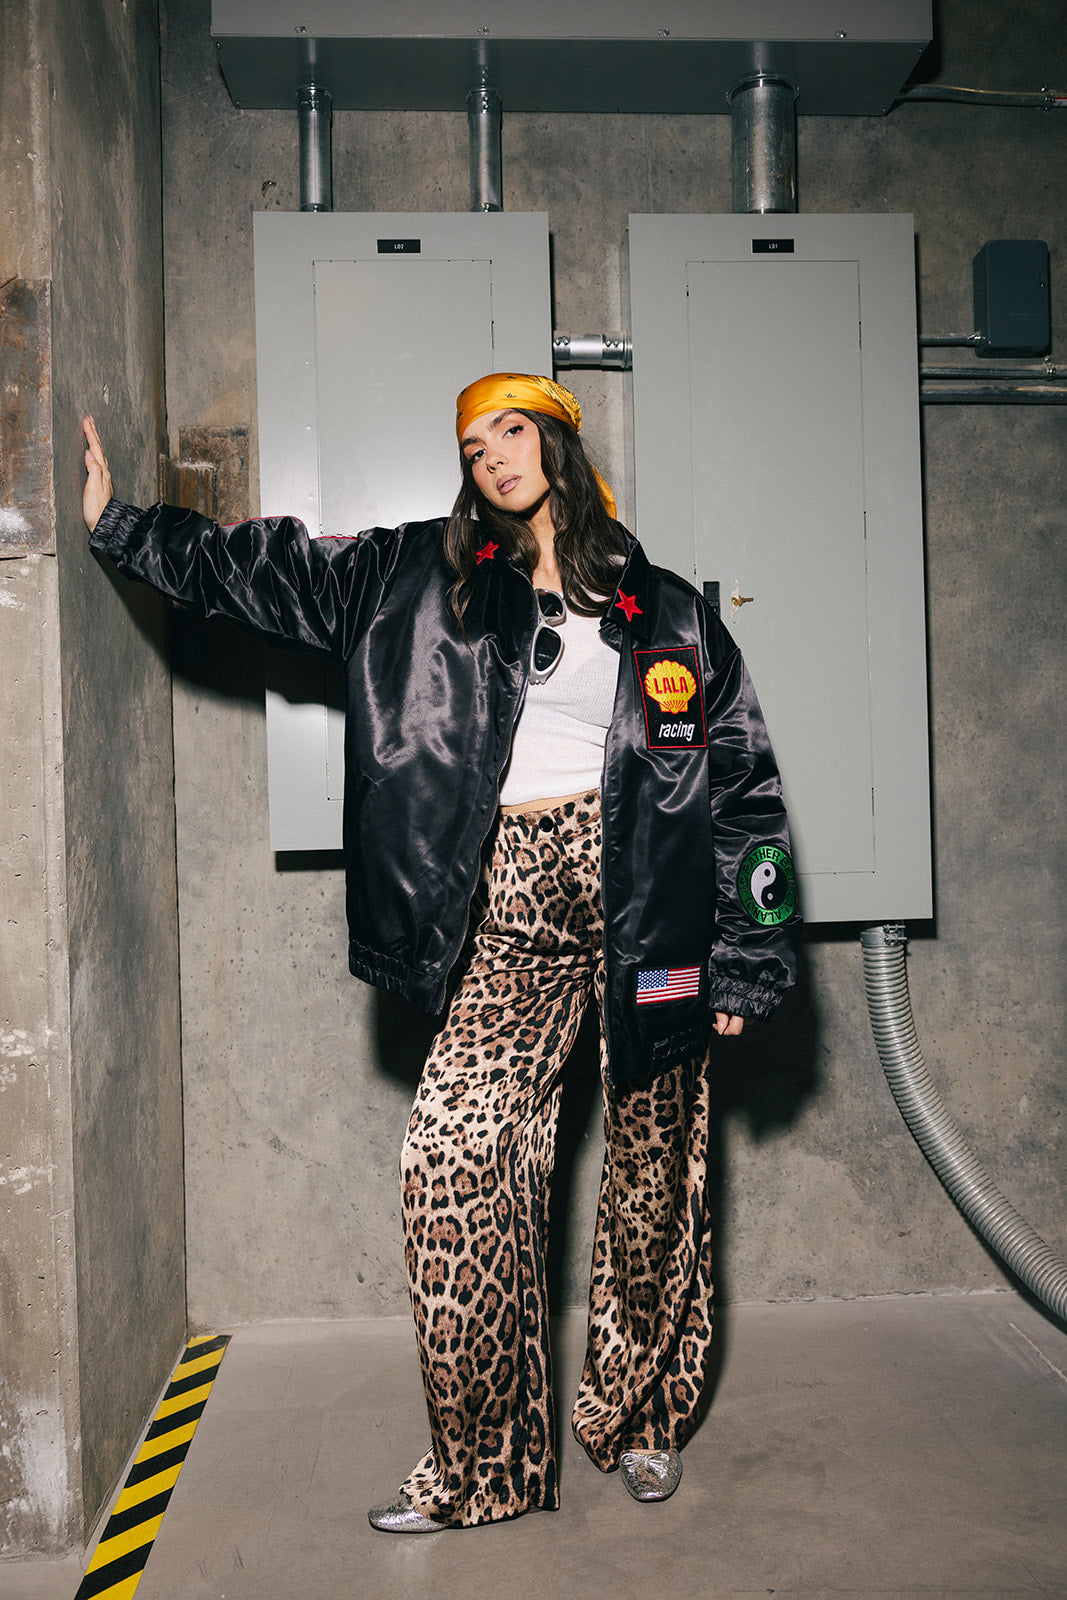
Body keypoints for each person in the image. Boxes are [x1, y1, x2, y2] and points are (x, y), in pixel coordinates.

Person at [82, 372, 799, 1533]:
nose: (490, 457)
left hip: (648, 917)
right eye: (471, 445)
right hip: (508, 904)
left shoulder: (664, 610)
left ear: (556, 441)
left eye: (510, 431)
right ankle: (487, 1468)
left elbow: (742, 791)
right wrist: (124, 528)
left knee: (650, 1185)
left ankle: (640, 1416)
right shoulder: (418, 578)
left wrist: (748, 957)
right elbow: (265, 572)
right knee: (452, 1163)